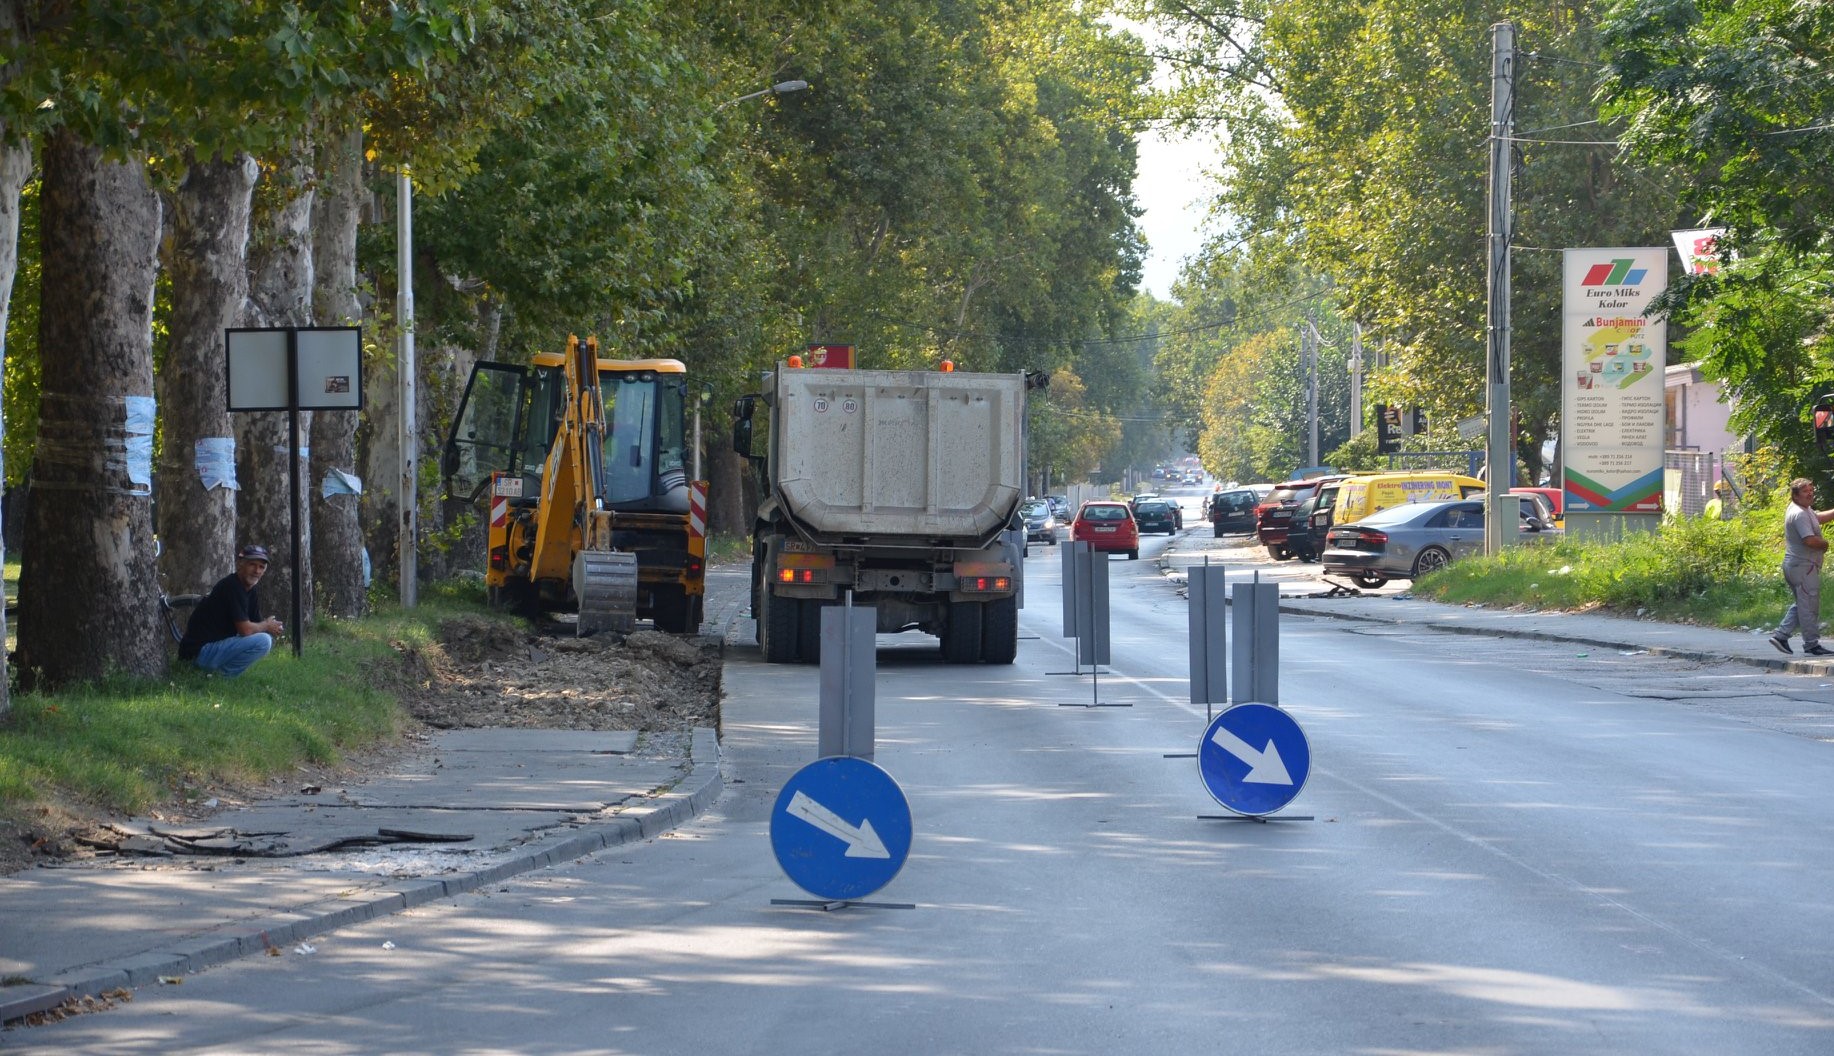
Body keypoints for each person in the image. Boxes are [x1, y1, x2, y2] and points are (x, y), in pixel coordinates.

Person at [179, 544, 285, 676]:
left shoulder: (250, 590)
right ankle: (222, 676)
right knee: (264, 641)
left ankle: (215, 676)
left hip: (212, 648)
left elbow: (255, 625)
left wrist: (272, 626)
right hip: (197, 653)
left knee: (264, 637)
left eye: (261, 567)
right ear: (240, 564)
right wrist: (266, 625)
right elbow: (246, 630)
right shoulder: (231, 586)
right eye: (252, 564)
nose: (257, 571)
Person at [1770, 479, 1834, 656]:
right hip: (1803, 566)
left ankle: (1781, 636)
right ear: (1795, 495)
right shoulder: (1799, 513)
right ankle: (1811, 645)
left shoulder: (1803, 510)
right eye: (1805, 491)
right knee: (1809, 606)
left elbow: (1817, 518)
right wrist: (1825, 544)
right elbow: (1809, 540)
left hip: (1798, 565)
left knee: (1803, 604)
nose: (1810, 493)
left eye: (1811, 489)